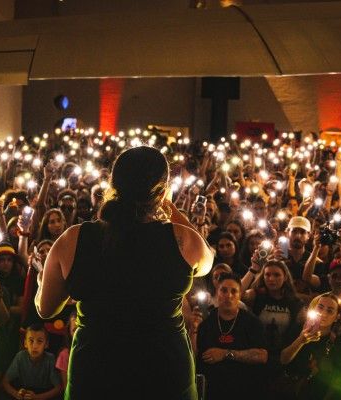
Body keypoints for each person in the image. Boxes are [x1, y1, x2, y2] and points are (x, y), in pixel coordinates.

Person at [35, 146, 214, 399]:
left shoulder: (72, 239)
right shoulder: (182, 240)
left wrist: (43, 279)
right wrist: (170, 207)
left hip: (96, 373)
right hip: (165, 373)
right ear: (162, 190)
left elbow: (46, 309)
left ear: (112, 184)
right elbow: (207, 259)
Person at [195, 272, 268, 399]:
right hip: (213, 391)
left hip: (245, 390)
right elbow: (196, 357)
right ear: (217, 293)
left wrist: (225, 353)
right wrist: (194, 329)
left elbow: (262, 356)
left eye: (234, 291)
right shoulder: (206, 324)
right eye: (224, 290)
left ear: (240, 295)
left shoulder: (252, 322)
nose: (228, 295)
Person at [1, 323, 62, 400]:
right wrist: (16, 394)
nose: (34, 346)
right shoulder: (20, 357)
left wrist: (37, 397)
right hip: (24, 391)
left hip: (44, 393)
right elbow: (4, 382)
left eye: (39, 341)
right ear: (25, 343)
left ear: (46, 344)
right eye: (31, 341)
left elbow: (58, 388)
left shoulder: (50, 359)